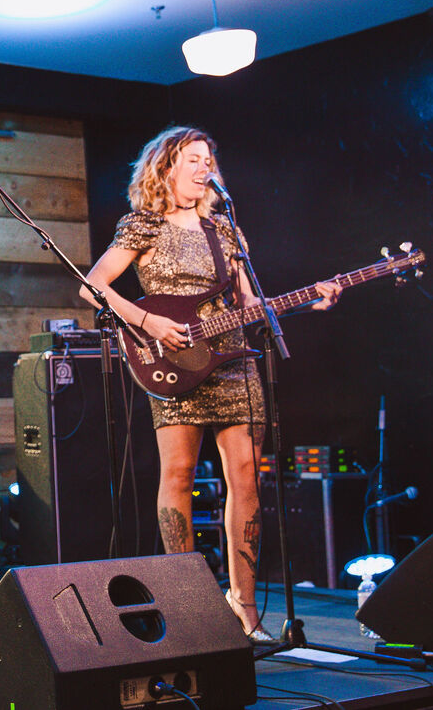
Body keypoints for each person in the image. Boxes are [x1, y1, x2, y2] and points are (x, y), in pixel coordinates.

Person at [82, 126, 340, 642]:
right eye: (194, 159)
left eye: (208, 160)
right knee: (177, 473)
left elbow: (249, 304)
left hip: (233, 361)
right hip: (172, 360)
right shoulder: (143, 225)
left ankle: (244, 603)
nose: (205, 168)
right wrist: (147, 321)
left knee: (246, 476)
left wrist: (307, 300)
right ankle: (186, 600)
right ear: (166, 167)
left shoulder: (225, 230)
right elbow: (92, 287)